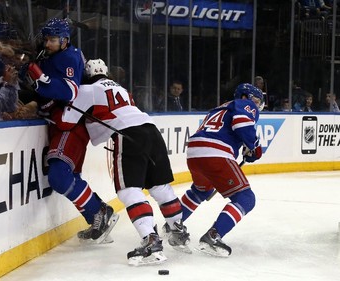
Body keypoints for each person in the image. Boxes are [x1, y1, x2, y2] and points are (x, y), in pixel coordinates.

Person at [58, 58, 191, 266]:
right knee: (159, 186)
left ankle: (151, 239)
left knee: (128, 191)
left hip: (129, 134)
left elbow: (66, 120)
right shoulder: (121, 89)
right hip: (151, 129)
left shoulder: (87, 89)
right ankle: (178, 230)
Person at [25, 18, 118, 244]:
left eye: (53, 39)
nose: (48, 43)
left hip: (71, 122)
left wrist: (40, 78)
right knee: (68, 176)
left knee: (59, 176)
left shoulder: (69, 56)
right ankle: (98, 213)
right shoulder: (53, 54)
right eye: (46, 39)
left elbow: (69, 92)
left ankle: (98, 212)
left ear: (65, 40)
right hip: (61, 123)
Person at [175, 83, 263, 257]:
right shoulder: (244, 104)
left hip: (194, 152)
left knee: (199, 192)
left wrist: (247, 147)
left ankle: (172, 226)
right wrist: (255, 146)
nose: (257, 104)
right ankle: (213, 236)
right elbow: (242, 125)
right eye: (256, 99)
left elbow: (229, 129)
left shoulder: (220, 108)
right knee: (246, 198)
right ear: (245, 96)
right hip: (216, 153)